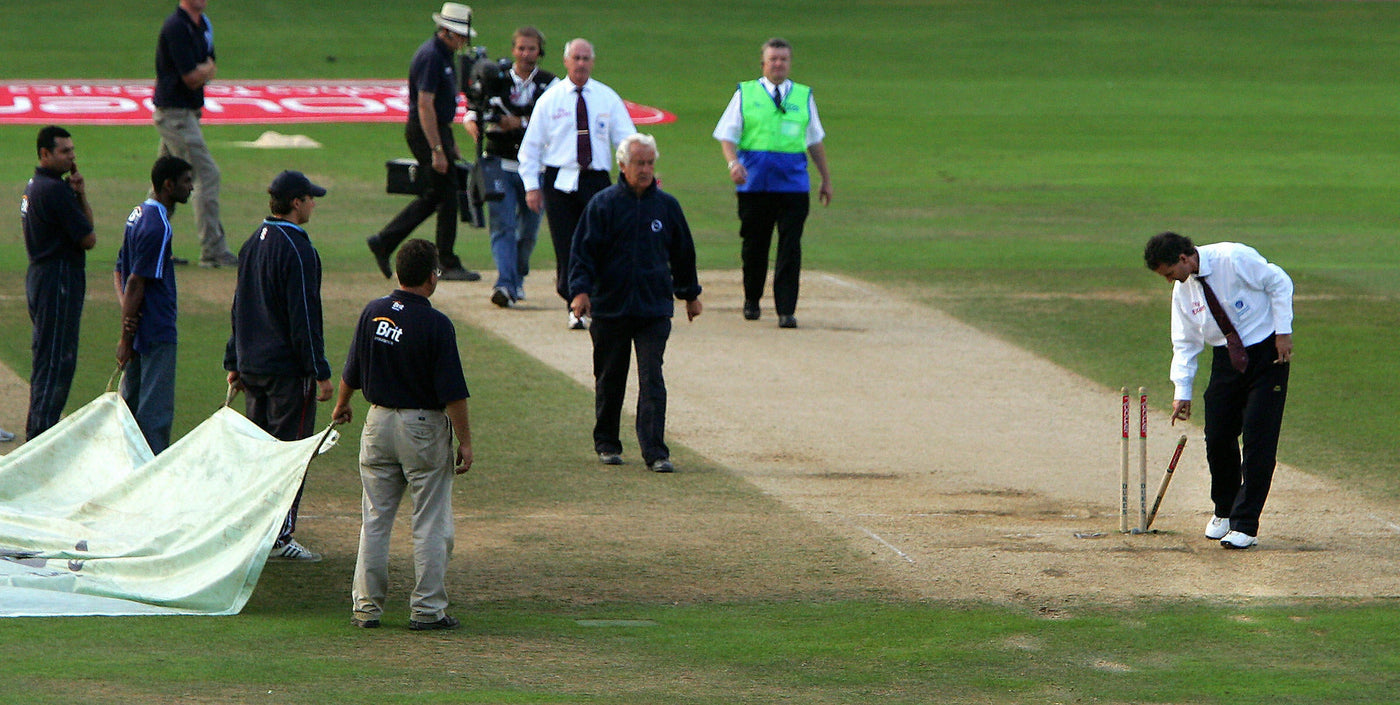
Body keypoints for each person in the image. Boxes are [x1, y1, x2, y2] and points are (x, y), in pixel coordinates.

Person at [333, 239, 473, 631]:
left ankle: (366, 608)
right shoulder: (437, 324)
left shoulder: (373, 312)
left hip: (377, 423)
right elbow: (453, 394)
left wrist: (342, 404)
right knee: (430, 521)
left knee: (375, 519)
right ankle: (427, 610)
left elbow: (351, 371)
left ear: (398, 272)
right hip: (422, 428)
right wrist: (465, 440)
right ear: (432, 277)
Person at [1143, 232, 1294, 550]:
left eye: (1169, 273)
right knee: (1217, 435)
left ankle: (1245, 525)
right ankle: (1225, 510)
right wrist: (1182, 390)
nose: (1169, 281)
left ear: (1183, 258)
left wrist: (1283, 331)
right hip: (1227, 359)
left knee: (1258, 439)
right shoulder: (1183, 291)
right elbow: (1185, 342)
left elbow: (1279, 281)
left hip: (1268, 354)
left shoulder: (1232, 258)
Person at [568, 134, 702, 472]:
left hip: (653, 307)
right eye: (639, 163)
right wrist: (580, 292)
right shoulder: (603, 204)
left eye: (650, 163)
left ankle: (656, 452)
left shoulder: (667, 207)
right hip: (610, 307)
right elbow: (583, 253)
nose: (645, 169)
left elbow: (683, 253)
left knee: (652, 378)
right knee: (610, 377)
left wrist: (690, 294)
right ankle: (607, 443)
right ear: (623, 165)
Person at [225, 170, 333, 562]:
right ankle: (279, 536)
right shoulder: (298, 248)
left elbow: (239, 305)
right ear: (296, 203)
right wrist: (320, 370)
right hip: (287, 372)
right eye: (310, 198)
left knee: (260, 453)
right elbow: (304, 316)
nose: (314, 204)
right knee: (289, 454)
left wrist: (234, 359)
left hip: (253, 366)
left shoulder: (253, 241)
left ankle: (255, 530)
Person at [713, 37, 833, 329]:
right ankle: (752, 298)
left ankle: (786, 310)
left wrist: (826, 178)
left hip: (793, 184)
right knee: (755, 245)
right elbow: (727, 134)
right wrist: (733, 163)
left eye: (783, 59)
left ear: (789, 63)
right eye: (773, 59)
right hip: (755, 184)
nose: (778, 64)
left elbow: (814, 140)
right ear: (763, 63)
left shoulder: (803, 96)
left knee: (790, 246)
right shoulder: (746, 93)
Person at [519, 38, 636, 329]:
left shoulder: (607, 97)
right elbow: (531, 147)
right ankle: (574, 303)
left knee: (599, 242)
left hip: (596, 179)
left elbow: (627, 140)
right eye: (576, 58)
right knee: (567, 244)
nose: (581, 63)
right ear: (566, 61)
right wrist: (531, 186)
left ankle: (597, 300)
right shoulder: (551, 99)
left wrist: (634, 176)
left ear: (592, 62)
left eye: (586, 58)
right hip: (559, 180)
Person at [367, 3, 481, 283]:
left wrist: (448, 142)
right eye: (461, 35)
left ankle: (385, 241)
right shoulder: (432, 57)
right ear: (447, 31)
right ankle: (446, 261)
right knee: (446, 196)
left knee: (436, 195)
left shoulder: (443, 55)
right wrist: (437, 149)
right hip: (426, 132)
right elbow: (425, 105)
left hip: (436, 131)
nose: (464, 41)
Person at [464, 26, 557, 308]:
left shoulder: (551, 84)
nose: (526, 54)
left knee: (528, 232)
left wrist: (519, 123)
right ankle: (505, 284)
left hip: (536, 169)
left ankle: (517, 277)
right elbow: (471, 112)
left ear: (540, 51)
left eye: (532, 49)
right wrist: (476, 126)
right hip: (499, 164)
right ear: (513, 50)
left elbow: (555, 122)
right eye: (521, 48)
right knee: (502, 225)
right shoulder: (495, 78)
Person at [114, 156, 195, 454]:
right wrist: (125, 336)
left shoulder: (137, 214)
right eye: (186, 181)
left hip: (139, 326)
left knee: (129, 410)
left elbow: (119, 271)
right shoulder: (158, 226)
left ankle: (124, 470)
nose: (191, 188)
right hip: (156, 329)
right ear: (168, 185)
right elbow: (136, 281)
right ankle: (150, 475)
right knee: (154, 416)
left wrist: (127, 317)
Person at [21, 125, 95, 441]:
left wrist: (79, 193)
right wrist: (75, 196)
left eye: (72, 150)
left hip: (41, 276)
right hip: (58, 278)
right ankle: (40, 436)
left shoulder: (36, 185)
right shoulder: (53, 190)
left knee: (46, 356)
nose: (71, 157)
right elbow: (88, 238)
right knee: (56, 361)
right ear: (45, 153)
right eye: (64, 151)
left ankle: (39, 431)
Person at [153, 0, 238, 268]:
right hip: (175, 116)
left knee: (163, 183)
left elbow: (209, 67)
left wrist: (203, 72)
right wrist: (204, 71)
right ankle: (213, 251)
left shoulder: (203, 24)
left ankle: (148, 245)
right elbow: (191, 77)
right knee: (206, 175)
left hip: (186, 113)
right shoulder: (177, 27)